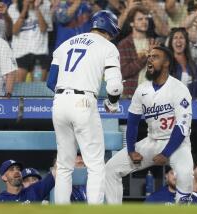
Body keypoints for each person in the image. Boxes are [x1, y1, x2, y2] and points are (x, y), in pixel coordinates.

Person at [47, 10, 123, 204]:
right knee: (96, 165)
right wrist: (112, 103)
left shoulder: (66, 43)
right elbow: (115, 86)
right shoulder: (108, 46)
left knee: (64, 166)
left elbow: (50, 82)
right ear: (111, 28)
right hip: (83, 102)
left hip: (59, 103)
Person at [105, 45, 194, 204]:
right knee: (111, 169)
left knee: (186, 174)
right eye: (149, 56)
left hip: (177, 143)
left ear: (166, 63)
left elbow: (182, 127)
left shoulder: (179, 89)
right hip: (152, 141)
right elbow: (132, 123)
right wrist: (131, 150)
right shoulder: (142, 89)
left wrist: (166, 153)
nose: (150, 59)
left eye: (155, 57)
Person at [167, 27, 197, 98]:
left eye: (181, 38)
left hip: (190, 106)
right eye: (175, 38)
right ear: (171, 42)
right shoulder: (166, 64)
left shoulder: (193, 65)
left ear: (186, 42)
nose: (178, 41)